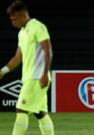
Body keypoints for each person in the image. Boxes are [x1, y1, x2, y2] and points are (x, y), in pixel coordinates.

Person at [0, 1, 54, 135]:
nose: (13, 22)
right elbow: (18, 57)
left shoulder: (37, 26)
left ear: (23, 15)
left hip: (36, 77)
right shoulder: (21, 33)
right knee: (41, 114)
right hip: (30, 78)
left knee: (21, 110)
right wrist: (3, 71)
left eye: (14, 19)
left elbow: (48, 51)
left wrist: (44, 74)